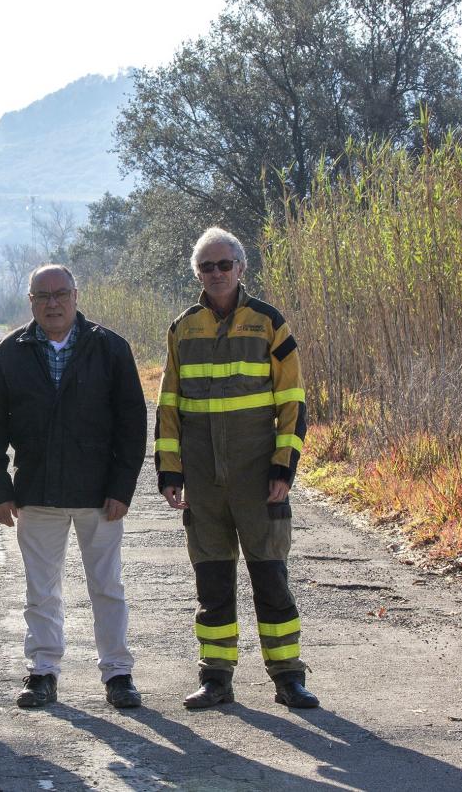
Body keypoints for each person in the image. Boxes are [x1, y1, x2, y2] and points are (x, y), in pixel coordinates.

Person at [155, 227, 317, 710]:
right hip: (203, 478)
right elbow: (168, 404)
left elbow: (292, 402)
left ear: (242, 268)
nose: (217, 273)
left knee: (271, 577)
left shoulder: (270, 323)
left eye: (225, 264)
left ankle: (288, 677)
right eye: (207, 266)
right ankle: (216, 678)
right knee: (213, 581)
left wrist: (283, 467)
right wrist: (170, 471)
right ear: (197, 274)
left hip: (256, 473)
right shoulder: (183, 327)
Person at [0, 264, 147, 709]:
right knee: (41, 589)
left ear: (76, 295)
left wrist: (122, 487)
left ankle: (118, 673)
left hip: (100, 496)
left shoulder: (110, 348)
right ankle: (43, 672)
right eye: (43, 296)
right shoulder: (9, 352)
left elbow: (132, 424)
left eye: (60, 294)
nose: (53, 303)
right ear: (31, 302)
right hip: (36, 493)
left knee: (107, 587)